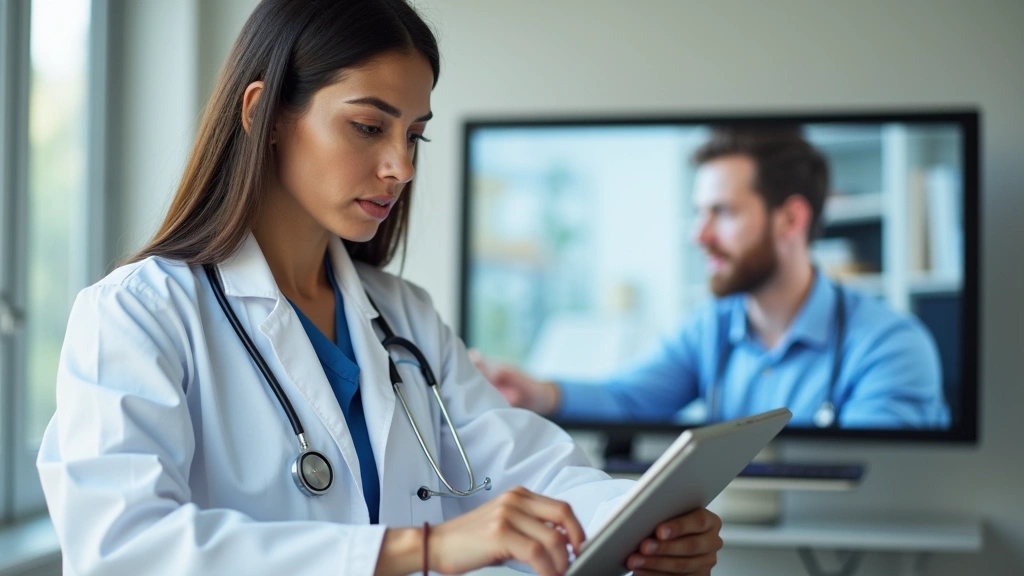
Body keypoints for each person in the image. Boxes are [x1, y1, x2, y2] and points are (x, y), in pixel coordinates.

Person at [35, 1, 723, 575]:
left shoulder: (403, 319)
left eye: (414, 136)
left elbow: (524, 465)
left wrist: (639, 522)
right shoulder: (138, 314)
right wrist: (420, 548)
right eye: (368, 127)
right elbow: (122, 549)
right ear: (265, 113)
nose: (399, 167)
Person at [473, 127, 950, 430]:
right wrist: (538, 393)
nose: (697, 235)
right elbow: (629, 399)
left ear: (790, 220)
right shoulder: (711, 328)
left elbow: (878, 489)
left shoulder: (892, 346)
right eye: (699, 212)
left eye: (721, 213)